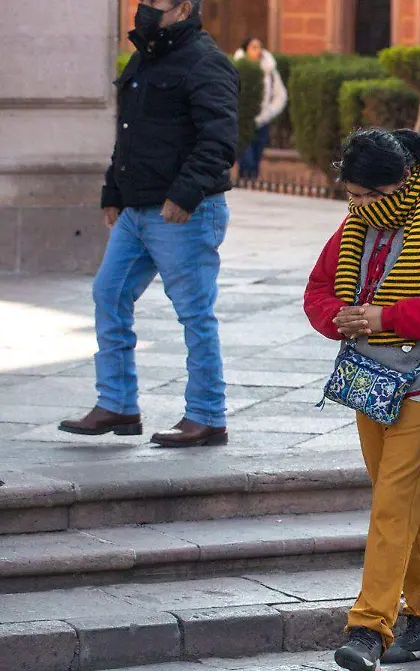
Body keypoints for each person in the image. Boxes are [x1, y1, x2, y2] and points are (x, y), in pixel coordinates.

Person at [303, 129, 420, 671]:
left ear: (402, 181)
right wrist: (336, 317)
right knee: (404, 504)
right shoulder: (361, 221)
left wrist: (387, 317)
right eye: (351, 197)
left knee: (392, 504)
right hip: (369, 379)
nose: (357, 207)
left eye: (366, 196)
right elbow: (318, 288)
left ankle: (368, 628)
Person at [59, 0, 238, 448]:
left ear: (182, 8)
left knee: (194, 313)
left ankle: (207, 416)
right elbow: (129, 132)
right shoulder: (146, 57)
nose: (142, 8)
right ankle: (117, 403)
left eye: (154, 2)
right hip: (136, 210)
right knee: (109, 292)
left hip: (184, 212)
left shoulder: (205, 61)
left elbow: (219, 137)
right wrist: (112, 191)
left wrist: (185, 194)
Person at [233, 37, 288, 181]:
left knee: (256, 160)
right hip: (243, 121)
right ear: (245, 50)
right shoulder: (239, 68)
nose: (258, 51)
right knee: (247, 160)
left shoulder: (270, 71)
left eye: (260, 47)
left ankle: (249, 187)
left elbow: (280, 96)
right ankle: (244, 182)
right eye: (254, 47)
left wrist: (269, 112)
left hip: (262, 122)